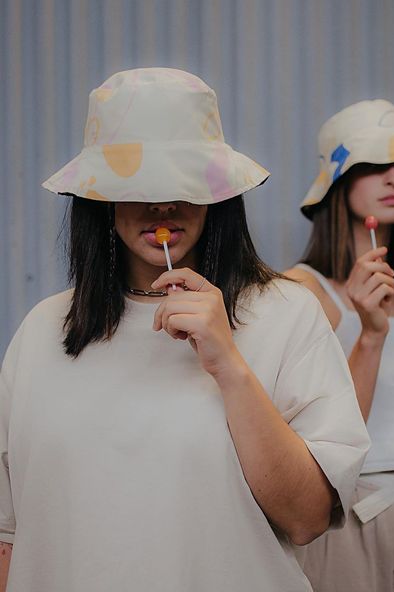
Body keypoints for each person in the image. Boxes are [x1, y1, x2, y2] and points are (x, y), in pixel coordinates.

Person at [0, 68, 370, 592]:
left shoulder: (287, 314)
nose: (163, 204)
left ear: (217, 195)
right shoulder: (42, 331)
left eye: (184, 179)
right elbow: (9, 537)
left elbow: (308, 517)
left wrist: (230, 368)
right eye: (137, 183)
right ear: (99, 199)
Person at [286, 99, 394, 592]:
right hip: (348, 519)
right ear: (339, 184)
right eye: (376, 166)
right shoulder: (301, 291)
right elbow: (316, 436)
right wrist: (369, 334)